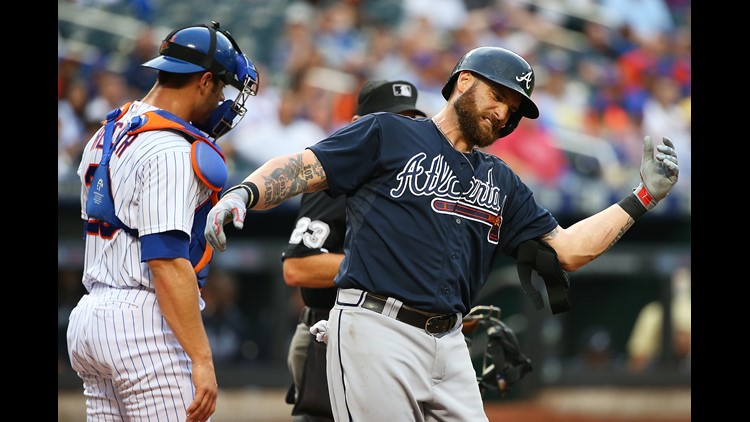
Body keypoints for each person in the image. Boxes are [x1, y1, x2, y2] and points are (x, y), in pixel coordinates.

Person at [205, 46, 679, 421]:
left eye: (514, 110)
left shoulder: (502, 179)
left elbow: (569, 251)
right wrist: (245, 192)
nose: (504, 114)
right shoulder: (389, 133)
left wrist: (642, 197)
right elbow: (303, 167)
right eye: (499, 97)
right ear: (464, 82)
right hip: (377, 329)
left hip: (451, 341)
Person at [66, 22, 259, 422]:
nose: (222, 99)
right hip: (143, 323)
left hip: (89, 318)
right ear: (205, 81)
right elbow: (166, 262)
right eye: (221, 88)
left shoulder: (106, 131)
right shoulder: (172, 148)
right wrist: (202, 358)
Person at [281, 80, 426, 421]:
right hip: (330, 338)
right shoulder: (337, 177)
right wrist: (389, 269)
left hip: (392, 341)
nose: (398, 129)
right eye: (389, 119)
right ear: (358, 123)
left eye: (408, 120)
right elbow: (298, 267)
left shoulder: (413, 184)